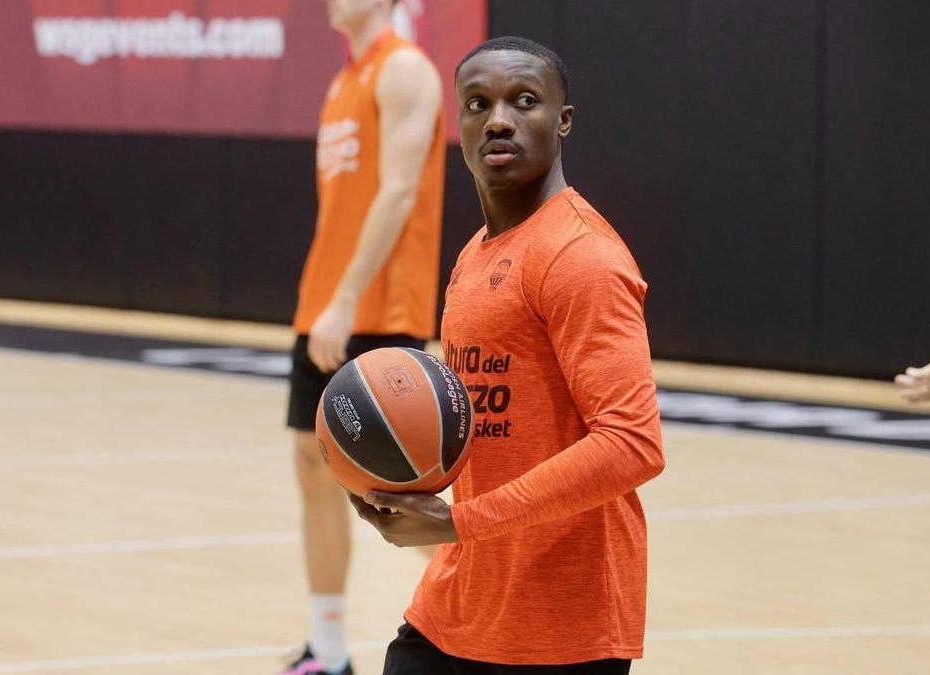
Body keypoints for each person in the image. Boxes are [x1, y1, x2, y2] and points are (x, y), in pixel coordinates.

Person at [349, 37, 666, 674]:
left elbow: (634, 445)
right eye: (478, 103)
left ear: (563, 121)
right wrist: (402, 484)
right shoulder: (475, 255)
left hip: (562, 625)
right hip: (461, 599)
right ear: (458, 126)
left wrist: (459, 521)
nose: (499, 118)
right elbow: (478, 424)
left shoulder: (582, 258)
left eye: (525, 101)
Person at [282, 1, 445, 673]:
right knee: (311, 468)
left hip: (378, 311)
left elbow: (399, 192)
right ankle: (326, 650)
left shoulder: (405, 70)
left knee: (405, 502)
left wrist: (348, 298)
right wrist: (328, 299)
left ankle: (505, 639)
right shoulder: (340, 82)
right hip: (325, 307)